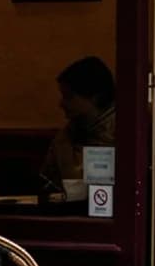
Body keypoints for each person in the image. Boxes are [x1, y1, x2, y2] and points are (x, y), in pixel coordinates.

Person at [38, 56, 117, 201]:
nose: (61, 104)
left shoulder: (124, 135)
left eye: (68, 96)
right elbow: (47, 183)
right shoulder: (66, 137)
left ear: (94, 97)